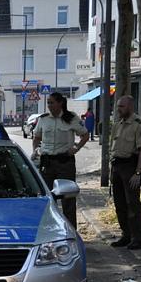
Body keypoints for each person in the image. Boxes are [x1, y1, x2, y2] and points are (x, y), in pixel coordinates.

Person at [32, 92, 89, 228]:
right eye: (48, 103)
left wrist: (76, 148)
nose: (49, 105)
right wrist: (35, 151)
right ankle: (49, 229)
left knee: (67, 199)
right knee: (47, 198)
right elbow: (36, 137)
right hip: (47, 163)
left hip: (65, 163)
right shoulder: (43, 119)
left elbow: (85, 135)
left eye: (52, 102)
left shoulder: (71, 118)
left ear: (60, 103)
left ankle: (70, 230)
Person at [109, 95, 141, 250]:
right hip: (117, 167)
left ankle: (137, 238)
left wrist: (138, 173)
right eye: (118, 106)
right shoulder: (118, 124)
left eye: (122, 106)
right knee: (120, 204)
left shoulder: (139, 124)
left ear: (130, 107)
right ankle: (126, 235)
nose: (118, 109)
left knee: (133, 204)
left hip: (130, 167)